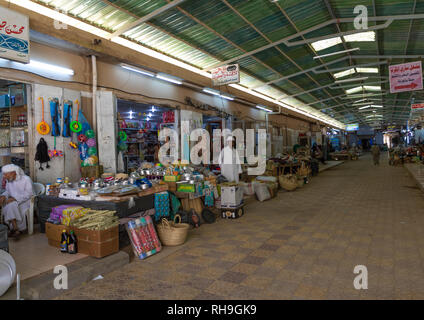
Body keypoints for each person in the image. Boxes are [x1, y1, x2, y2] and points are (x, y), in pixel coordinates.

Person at [0, 164, 34, 238]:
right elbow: (7, 191)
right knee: (9, 204)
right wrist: (3, 196)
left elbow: (29, 194)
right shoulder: (9, 180)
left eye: (6, 174)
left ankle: (14, 228)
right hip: (13, 201)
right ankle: (15, 229)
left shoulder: (26, 179)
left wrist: (15, 198)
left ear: (13, 173)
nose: (4, 176)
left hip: (26, 201)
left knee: (11, 205)